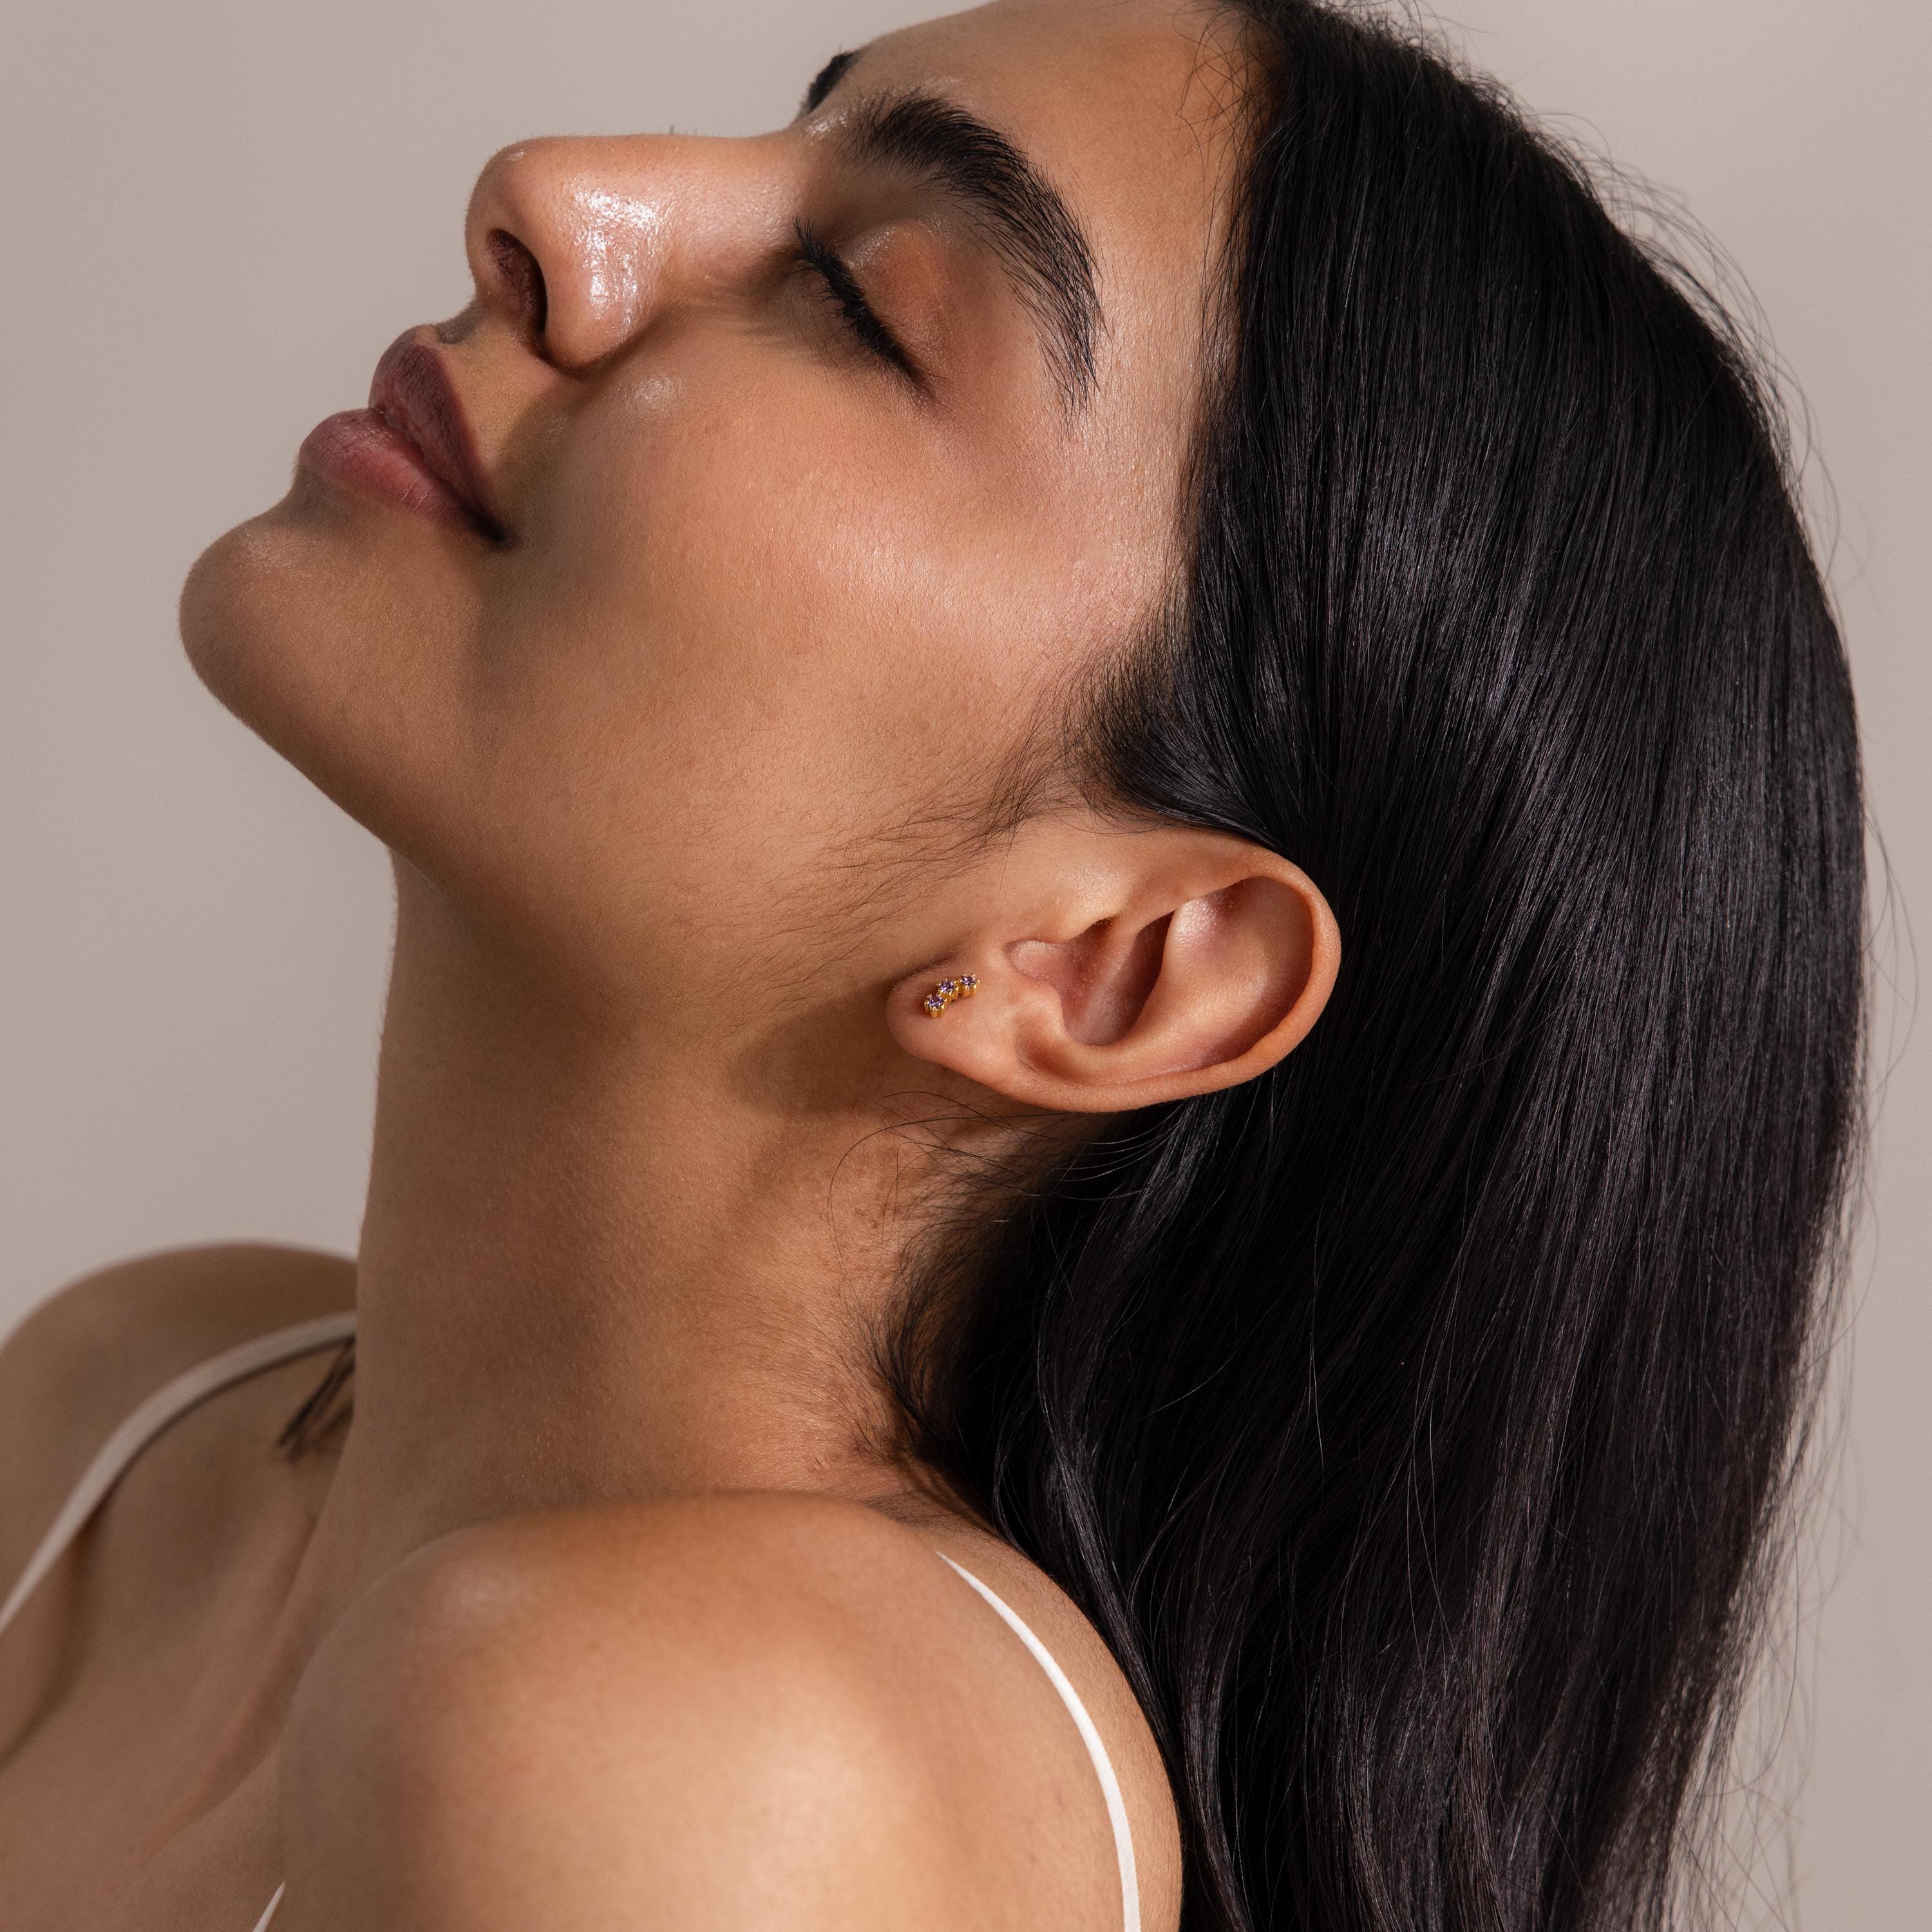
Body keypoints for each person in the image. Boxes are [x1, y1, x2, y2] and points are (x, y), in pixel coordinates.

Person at [0, 1, 1865, 1927]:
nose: (549, 197)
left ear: (1118, 967)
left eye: (851, 297)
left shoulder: (711, 1758)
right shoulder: (130, 1424)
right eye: (787, 144)